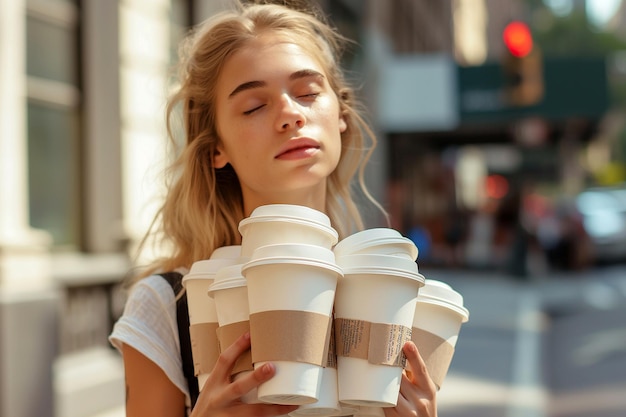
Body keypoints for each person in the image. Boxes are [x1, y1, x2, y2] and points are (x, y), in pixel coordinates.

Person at [109, 2, 438, 416]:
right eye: (253, 107)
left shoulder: (387, 288)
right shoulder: (169, 304)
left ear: (342, 114)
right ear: (216, 149)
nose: (290, 114)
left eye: (307, 93)